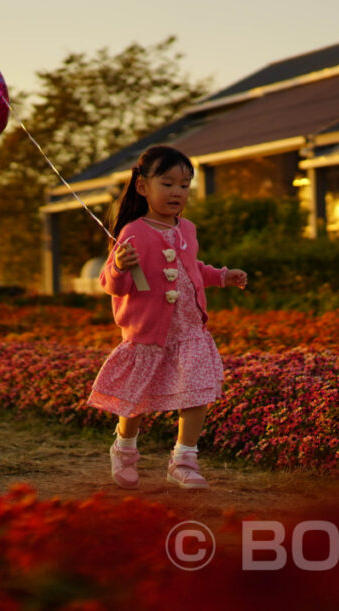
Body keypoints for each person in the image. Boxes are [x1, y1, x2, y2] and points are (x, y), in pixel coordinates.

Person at [88, 145, 247, 490]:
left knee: (196, 394)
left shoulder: (187, 229)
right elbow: (113, 285)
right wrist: (119, 266)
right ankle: (125, 447)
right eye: (168, 183)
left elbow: (192, 270)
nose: (177, 192)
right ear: (143, 186)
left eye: (184, 185)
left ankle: (184, 459)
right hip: (148, 332)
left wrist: (221, 276)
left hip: (189, 330)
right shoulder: (133, 232)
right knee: (135, 399)